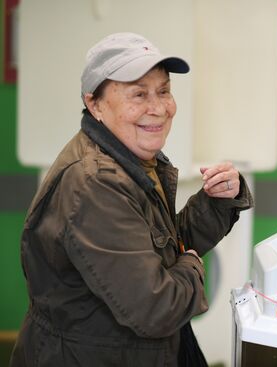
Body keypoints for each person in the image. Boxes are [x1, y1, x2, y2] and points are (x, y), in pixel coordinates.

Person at [9, 32, 253, 367]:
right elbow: (157, 306)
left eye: (164, 91)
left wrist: (217, 201)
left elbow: (159, 247)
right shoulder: (95, 184)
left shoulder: (131, 159)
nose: (158, 108)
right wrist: (193, 266)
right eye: (138, 94)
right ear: (94, 103)